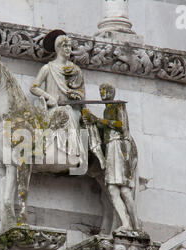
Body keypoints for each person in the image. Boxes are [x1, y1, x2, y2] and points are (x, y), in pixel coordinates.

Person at [83, 83, 139, 233]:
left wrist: (98, 120)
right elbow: (106, 127)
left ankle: (136, 225)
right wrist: (92, 120)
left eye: (104, 90)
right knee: (113, 190)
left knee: (125, 191)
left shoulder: (117, 106)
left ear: (111, 92)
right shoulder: (107, 109)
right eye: (100, 90)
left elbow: (121, 125)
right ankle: (125, 223)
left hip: (119, 147)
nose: (102, 93)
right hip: (110, 147)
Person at [30, 30, 86, 162]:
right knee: (63, 113)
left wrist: (76, 96)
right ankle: (57, 150)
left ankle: (72, 153)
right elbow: (33, 87)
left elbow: (82, 94)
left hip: (71, 108)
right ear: (58, 48)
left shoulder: (76, 70)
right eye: (65, 46)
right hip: (53, 108)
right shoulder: (48, 68)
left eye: (69, 46)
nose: (68, 49)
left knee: (70, 113)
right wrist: (49, 97)